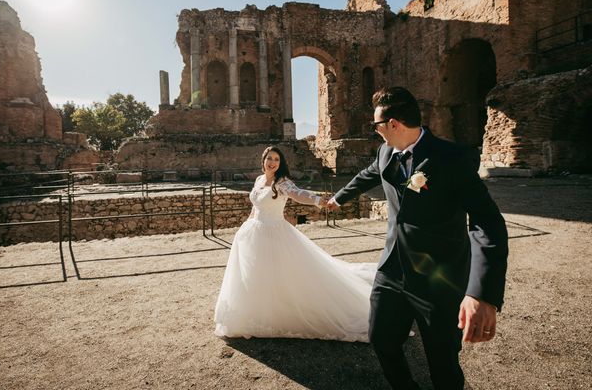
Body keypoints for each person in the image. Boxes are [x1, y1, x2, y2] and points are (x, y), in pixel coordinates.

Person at [327, 86, 508, 390]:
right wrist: (339, 198)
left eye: (377, 126)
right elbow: (371, 173)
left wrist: (482, 294)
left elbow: (487, 222)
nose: (376, 132)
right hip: (392, 271)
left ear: (393, 125)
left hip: (439, 281)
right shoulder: (386, 151)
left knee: (442, 362)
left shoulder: (451, 158)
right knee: (382, 340)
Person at [214, 145, 378, 342]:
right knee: (256, 274)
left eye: (277, 159)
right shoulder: (259, 180)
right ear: (263, 160)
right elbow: (255, 207)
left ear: (280, 163)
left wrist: (318, 200)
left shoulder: (282, 182)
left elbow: (299, 194)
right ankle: (256, 314)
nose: (273, 162)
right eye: (270, 158)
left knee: (283, 274)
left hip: (275, 232)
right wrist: (245, 226)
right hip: (253, 232)